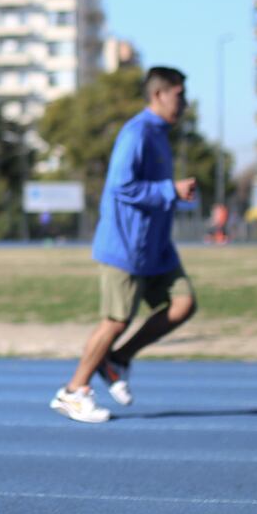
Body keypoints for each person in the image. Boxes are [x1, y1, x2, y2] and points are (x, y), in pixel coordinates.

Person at [49, 67, 200, 424]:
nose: (185, 103)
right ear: (160, 95)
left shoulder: (162, 134)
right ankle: (73, 391)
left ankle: (118, 360)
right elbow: (121, 187)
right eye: (180, 95)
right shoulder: (137, 133)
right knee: (115, 320)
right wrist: (171, 191)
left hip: (156, 247)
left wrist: (172, 194)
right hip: (127, 245)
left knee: (183, 304)